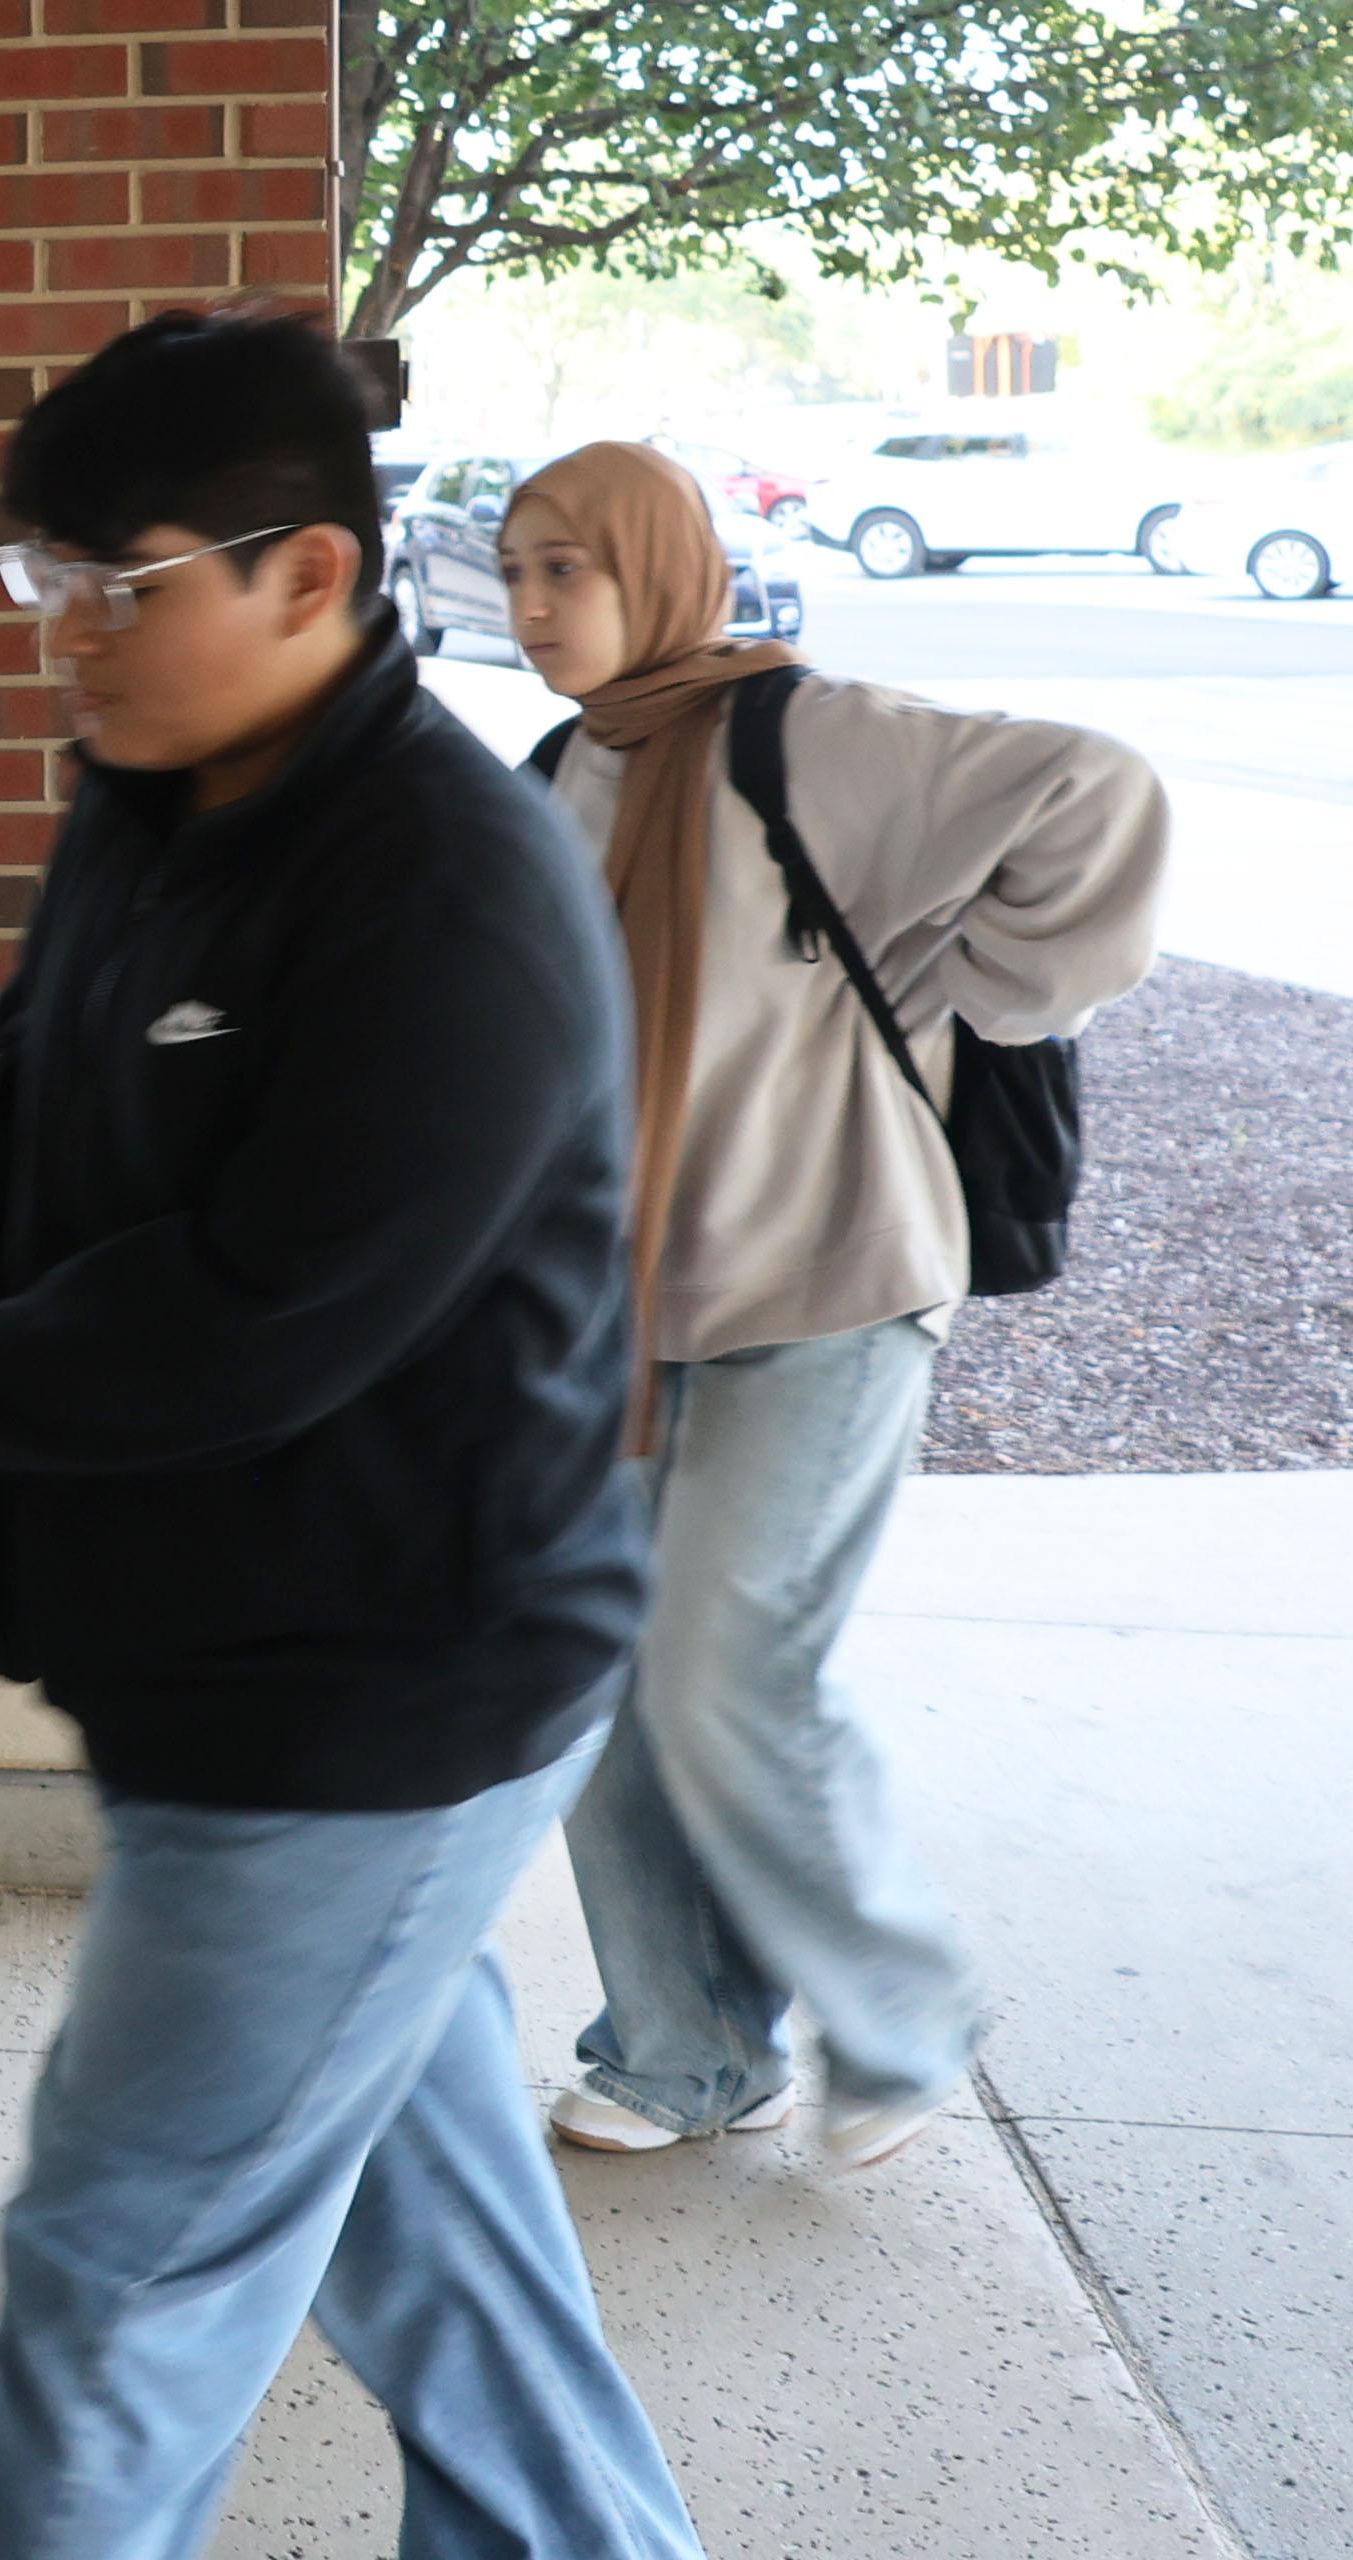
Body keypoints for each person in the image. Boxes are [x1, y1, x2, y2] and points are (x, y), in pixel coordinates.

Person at [0, 311, 700, 2560]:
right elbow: (38, 1094)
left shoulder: (445, 888)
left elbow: (264, 1312)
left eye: (117, 584)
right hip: (221, 1671)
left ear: (308, 575)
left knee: (120, 2291)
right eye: (44, 577)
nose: (66, 634)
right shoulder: (159, 797)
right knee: (445, 2260)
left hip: (367, 1703)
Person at [500, 442, 1162, 2169]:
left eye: (569, 567)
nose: (534, 606)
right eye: (513, 572)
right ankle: (686, 2049)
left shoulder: (811, 739)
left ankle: (901, 2013)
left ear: (662, 567)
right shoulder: (558, 773)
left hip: (835, 1275)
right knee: (602, 1674)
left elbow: (1098, 797)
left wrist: (987, 985)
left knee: (729, 1661)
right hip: (623, 1306)